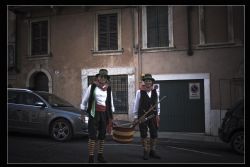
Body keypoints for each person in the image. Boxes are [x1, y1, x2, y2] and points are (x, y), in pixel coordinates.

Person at [80, 69, 115, 163]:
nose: (102, 78)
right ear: (98, 78)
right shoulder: (92, 87)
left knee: (102, 135)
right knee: (92, 135)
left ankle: (100, 156)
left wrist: (111, 116)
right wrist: (82, 113)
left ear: (107, 79)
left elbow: (110, 102)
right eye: (101, 76)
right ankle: (91, 157)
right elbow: (84, 100)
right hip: (94, 113)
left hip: (104, 114)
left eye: (104, 77)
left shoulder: (108, 89)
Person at [133, 73, 161, 160]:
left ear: (152, 82)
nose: (148, 82)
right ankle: (145, 151)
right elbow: (136, 104)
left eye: (150, 81)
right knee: (144, 134)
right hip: (142, 116)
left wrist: (158, 114)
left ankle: (152, 151)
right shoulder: (139, 92)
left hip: (153, 116)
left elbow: (158, 104)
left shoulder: (155, 92)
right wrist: (135, 116)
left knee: (154, 133)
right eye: (146, 81)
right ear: (144, 82)